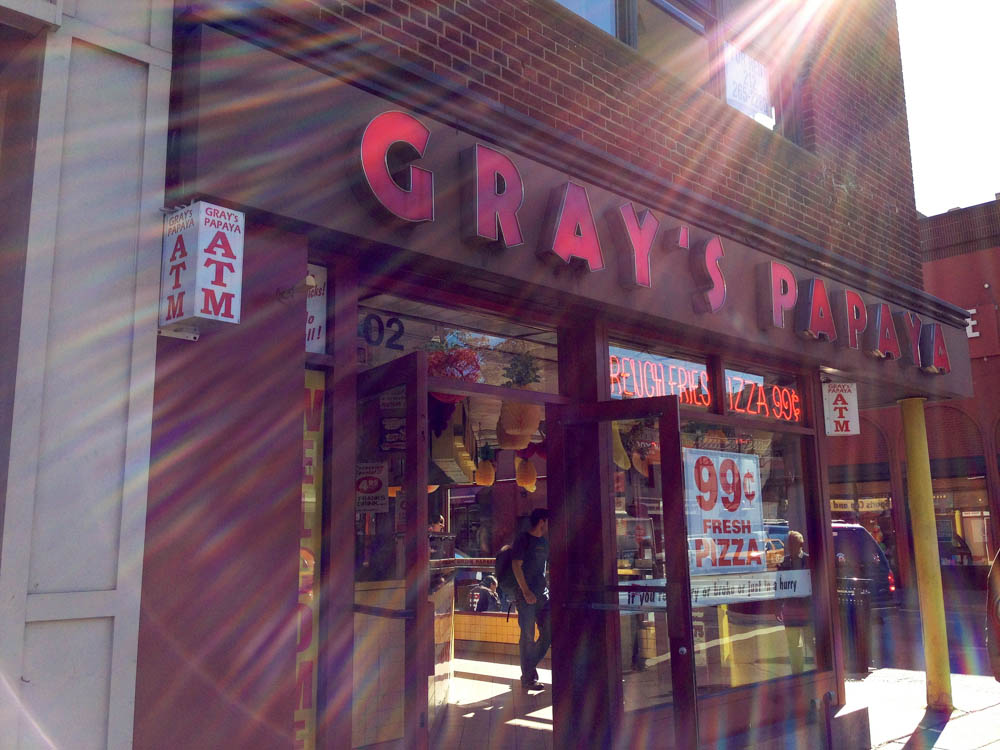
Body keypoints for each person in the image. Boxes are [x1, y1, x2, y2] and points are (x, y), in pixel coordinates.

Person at [512, 508, 551, 691]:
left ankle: (528, 668)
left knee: (549, 631)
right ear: (542, 521)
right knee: (527, 636)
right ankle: (528, 677)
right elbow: (516, 565)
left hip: (543, 595)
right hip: (525, 596)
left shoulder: (544, 541)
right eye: (547, 522)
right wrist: (526, 591)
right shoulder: (523, 539)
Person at [778, 530, 810, 674]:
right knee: (793, 643)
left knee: (810, 640)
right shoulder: (784, 562)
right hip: (790, 609)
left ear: (801, 545)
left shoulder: (809, 561)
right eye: (788, 544)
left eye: (793, 544)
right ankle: (797, 672)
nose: (790, 547)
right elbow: (778, 585)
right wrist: (777, 606)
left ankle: (818, 669)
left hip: (807, 608)